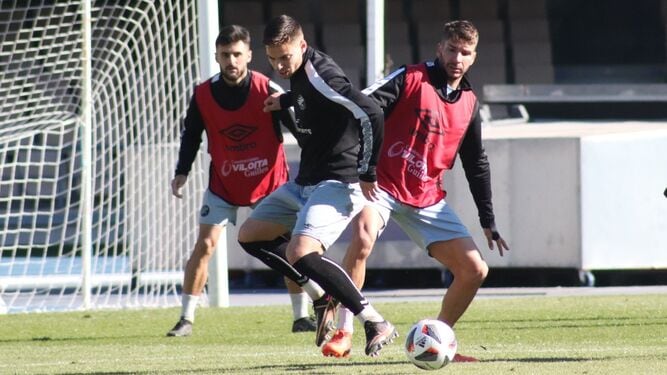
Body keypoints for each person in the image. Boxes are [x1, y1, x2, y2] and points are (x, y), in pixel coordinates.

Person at [320, 20, 510, 361]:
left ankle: (439, 339)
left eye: (465, 53)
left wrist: (488, 218)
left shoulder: (468, 104)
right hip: (381, 185)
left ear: (474, 57)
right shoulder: (410, 78)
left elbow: (476, 163)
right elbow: (363, 105)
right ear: (440, 49)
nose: (457, 58)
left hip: (426, 198)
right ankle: (345, 330)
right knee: (362, 238)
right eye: (452, 49)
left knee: (475, 270)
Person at [237, 15, 397, 357]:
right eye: (273, 58)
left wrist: (368, 170)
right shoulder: (299, 76)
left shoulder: (321, 74)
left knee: (300, 252)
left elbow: (370, 112)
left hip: (338, 180)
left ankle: (374, 320)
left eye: (286, 57)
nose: (280, 65)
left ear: (303, 46)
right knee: (250, 235)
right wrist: (287, 101)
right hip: (307, 180)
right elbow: (317, 102)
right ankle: (321, 297)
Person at [167, 25, 319, 337]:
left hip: (269, 185)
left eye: (237, 54)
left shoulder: (268, 90)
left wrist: (316, 170)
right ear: (216, 57)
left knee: (287, 247)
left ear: (249, 55)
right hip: (223, 184)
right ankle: (186, 319)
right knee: (205, 245)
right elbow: (191, 136)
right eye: (225, 55)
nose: (231, 61)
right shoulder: (202, 95)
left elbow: (303, 132)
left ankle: (300, 316)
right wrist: (182, 171)